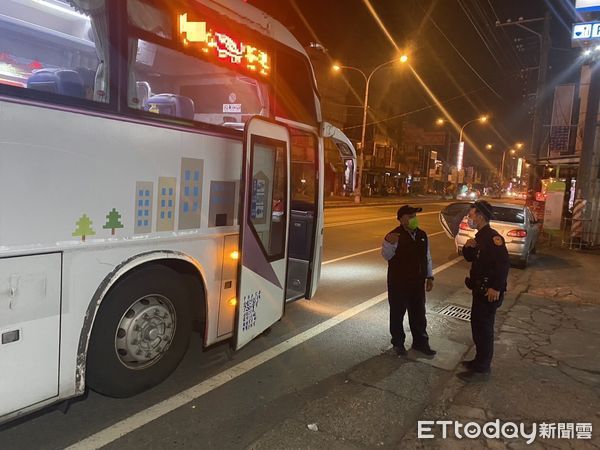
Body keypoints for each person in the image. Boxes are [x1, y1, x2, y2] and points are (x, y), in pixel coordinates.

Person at [457, 200, 510, 382]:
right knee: (477, 327)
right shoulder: (479, 237)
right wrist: (467, 247)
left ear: (480, 215)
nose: (469, 218)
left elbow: (503, 265)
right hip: (479, 290)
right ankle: (478, 360)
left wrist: (497, 287)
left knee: (484, 329)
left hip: (490, 292)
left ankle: (483, 366)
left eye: (471, 215)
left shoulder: (493, 238)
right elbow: (471, 258)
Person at [382, 205, 436, 356]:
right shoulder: (394, 236)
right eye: (410, 216)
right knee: (397, 313)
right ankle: (398, 344)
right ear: (401, 219)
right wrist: (388, 243)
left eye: (415, 216)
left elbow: (427, 257)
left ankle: (420, 343)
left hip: (417, 283)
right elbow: (386, 256)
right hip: (398, 283)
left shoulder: (422, 235)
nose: (414, 219)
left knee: (419, 314)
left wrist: (429, 276)